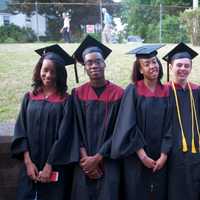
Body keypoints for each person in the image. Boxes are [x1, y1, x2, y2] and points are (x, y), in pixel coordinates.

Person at [11, 44, 78, 200]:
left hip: (55, 167)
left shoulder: (65, 100)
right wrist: (28, 162)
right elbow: (21, 130)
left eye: (53, 72)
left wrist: (49, 165)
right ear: (39, 70)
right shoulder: (29, 97)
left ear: (60, 74)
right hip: (30, 168)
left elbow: (65, 136)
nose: (48, 75)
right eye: (45, 70)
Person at [111, 45, 172, 200]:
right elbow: (127, 124)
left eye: (154, 62)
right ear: (140, 70)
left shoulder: (168, 92)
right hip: (136, 158)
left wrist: (164, 155)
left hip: (161, 159)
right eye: (147, 64)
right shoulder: (133, 91)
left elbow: (171, 125)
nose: (152, 66)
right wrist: (142, 155)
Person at [71, 35, 124, 200]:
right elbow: (74, 129)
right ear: (84, 67)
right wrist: (86, 159)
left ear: (104, 63)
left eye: (98, 61)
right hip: (83, 162)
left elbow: (120, 130)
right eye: (89, 62)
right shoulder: (77, 94)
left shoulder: (119, 94)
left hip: (109, 160)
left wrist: (98, 157)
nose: (94, 65)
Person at [163, 42, 200, 200]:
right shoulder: (162, 92)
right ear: (171, 67)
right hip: (170, 153)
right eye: (179, 65)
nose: (183, 69)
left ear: (191, 68)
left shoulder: (197, 90)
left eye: (187, 65)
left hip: (195, 151)